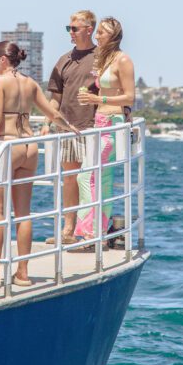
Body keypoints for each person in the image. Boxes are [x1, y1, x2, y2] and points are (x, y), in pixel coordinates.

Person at [0, 41, 79, 288]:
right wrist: (70, 127)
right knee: (23, 213)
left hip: (7, 145)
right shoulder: (30, 83)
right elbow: (53, 114)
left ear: (2, 59)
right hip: (30, 147)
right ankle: (23, 273)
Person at [41, 10, 98, 245]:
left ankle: (91, 230)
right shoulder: (64, 60)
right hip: (67, 127)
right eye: (69, 29)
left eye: (74, 28)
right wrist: (47, 122)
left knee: (92, 180)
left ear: (89, 29)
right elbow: (55, 97)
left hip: (93, 127)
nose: (70, 33)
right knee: (71, 179)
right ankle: (68, 229)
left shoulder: (102, 57)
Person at [75, 17, 135, 240]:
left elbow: (130, 97)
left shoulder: (123, 60)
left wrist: (95, 98)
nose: (97, 35)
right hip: (98, 121)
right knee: (102, 178)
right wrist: (92, 99)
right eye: (97, 31)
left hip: (112, 123)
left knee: (87, 176)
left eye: (101, 32)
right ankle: (96, 230)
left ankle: (91, 230)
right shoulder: (104, 59)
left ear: (113, 36)